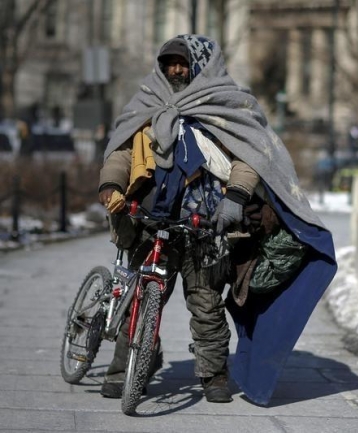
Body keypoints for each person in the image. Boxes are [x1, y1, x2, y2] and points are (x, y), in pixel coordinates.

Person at [97, 35, 338, 406]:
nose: (175, 69)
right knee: (140, 299)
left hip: (205, 225)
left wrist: (236, 198)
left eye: (182, 62)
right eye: (169, 62)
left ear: (202, 64)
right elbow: (124, 152)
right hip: (152, 219)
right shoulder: (147, 101)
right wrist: (111, 184)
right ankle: (125, 370)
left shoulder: (230, 104)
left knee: (206, 303)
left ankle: (213, 375)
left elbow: (252, 156)